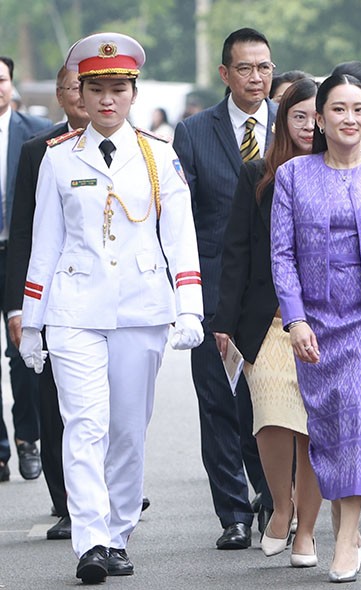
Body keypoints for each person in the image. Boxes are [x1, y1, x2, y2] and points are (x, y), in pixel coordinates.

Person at [18, 32, 204, 583]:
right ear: (80, 91)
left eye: (117, 89)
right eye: (95, 89)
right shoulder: (57, 159)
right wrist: (32, 323)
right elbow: (44, 244)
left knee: (126, 428)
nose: (106, 100)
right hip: (74, 309)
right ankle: (91, 540)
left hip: (141, 308)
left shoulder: (158, 155)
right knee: (84, 425)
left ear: (132, 93)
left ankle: (119, 532)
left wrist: (189, 305)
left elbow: (181, 237)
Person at [271, 73, 361, 583]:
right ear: (318, 117)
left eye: (359, 109)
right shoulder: (293, 175)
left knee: (356, 415)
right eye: (338, 109)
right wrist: (295, 319)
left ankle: (347, 533)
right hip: (314, 316)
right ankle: (338, 519)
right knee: (327, 421)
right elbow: (282, 255)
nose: (349, 119)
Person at [173, 27, 277, 549]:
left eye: (264, 67)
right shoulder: (193, 133)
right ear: (224, 74)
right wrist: (187, 299)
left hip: (279, 297)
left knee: (269, 404)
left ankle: (274, 501)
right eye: (244, 68)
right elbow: (182, 221)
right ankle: (233, 514)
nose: (256, 78)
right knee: (217, 403)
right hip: (215, 292)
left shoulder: (295, 123)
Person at [211, 77, 322, 567]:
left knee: (315, 428)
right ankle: (282, 506)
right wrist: (225, 320)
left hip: (327, 321)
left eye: (315, 116)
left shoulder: (343, 171)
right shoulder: (258, 173)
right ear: (283, 120)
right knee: (273, 416)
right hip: (267, 320)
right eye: (297, 115)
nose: (308, 125)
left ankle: (309, 531)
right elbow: (236, 249)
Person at [4, 65, 90, 540]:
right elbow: (23, 233)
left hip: (116, 300)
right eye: (77, 87)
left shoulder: (141, 147)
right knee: (55, 401)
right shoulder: (40, 152)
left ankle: (113, 490)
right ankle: (67, 501)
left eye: (95, 85)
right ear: (60, 96)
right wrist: (19, 307)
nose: (86, 95)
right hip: (55, 297)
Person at [0, 55, 51, 484]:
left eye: (1, 80)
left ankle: (27, 439)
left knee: (22, 352)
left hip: (17, 253)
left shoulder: (35, 136)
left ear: (11, 84)